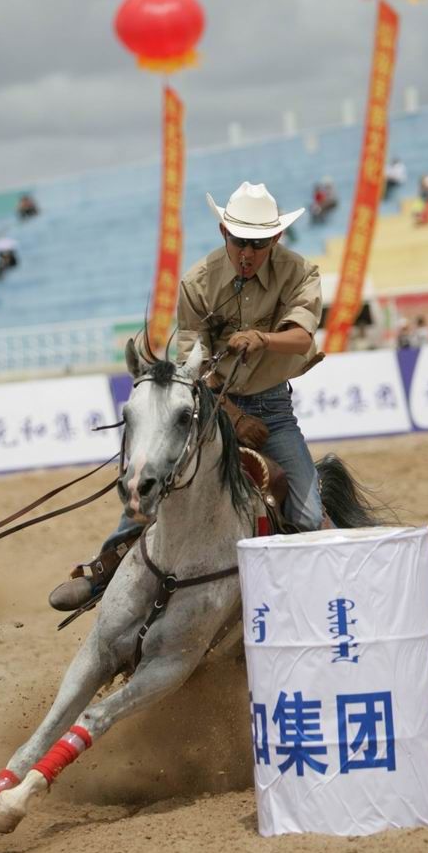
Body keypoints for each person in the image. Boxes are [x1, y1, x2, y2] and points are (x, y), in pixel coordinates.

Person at [49, 181, 324, 613]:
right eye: (239, 242)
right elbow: (190, 365)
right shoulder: (198, 281)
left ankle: (295, 605)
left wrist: (261, 338)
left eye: (257, 243)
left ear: (275, 238)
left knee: (308, 515)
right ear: (223, 233)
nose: (247, 254)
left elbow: (301, 337)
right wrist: (232, 416)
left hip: (273, 408)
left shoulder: (300, 273)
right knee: (154, 477)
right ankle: (104, 570)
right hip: (213, 405)